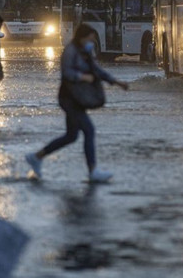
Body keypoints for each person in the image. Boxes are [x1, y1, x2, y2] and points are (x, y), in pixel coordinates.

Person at [25, 24, 129, 183]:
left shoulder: (85, 51)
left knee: (71, 136)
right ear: (82, 37)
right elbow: (67, 73)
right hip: (69, 98)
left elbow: (97, 70)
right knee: (89, 130)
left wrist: (116, 82)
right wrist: (82, 77)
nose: (93, 41)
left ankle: (36, 157)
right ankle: (93, 170)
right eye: (90, 38)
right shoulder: (70, 51)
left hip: (78, 98)